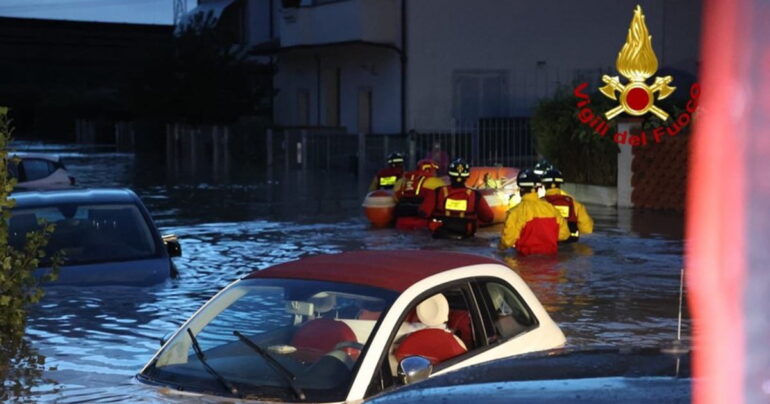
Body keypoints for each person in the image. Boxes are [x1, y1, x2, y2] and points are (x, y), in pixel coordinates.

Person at [498, 169, 569, 255]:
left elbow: (507, 241)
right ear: (538, 189)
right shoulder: (551, 209)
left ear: (521, 189)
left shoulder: (515, 212)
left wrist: (499, 247)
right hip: (552, 263)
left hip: (524, 262)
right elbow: (564, 234)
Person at [421, 158, 494, 239]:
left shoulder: (438, 192)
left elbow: (424, 212)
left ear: (449, 175)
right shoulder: (475, 195)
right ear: (467, 177)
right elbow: (489, 217)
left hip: (440, 235)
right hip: (466, 236)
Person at [541, 169, 594, 242]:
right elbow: (587, 229)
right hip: (570, 244)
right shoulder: (575, 204)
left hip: (546, 243)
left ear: (544, 185)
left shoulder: (538, 204)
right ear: (560, 184)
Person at [392, 159, 446, 229]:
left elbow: (395, 199)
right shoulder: (436, 182)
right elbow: (443, 199)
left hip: (400, 222)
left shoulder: (401, 181)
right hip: (422, 223)